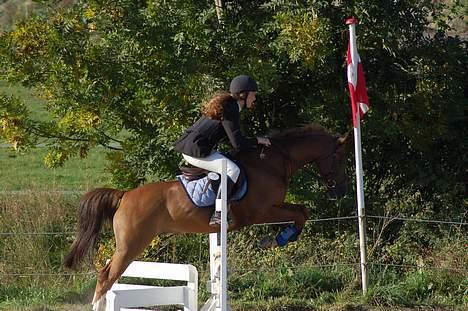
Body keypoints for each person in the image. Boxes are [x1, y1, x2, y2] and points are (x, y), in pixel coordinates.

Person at [174, 75, 271, 226]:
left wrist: (253, 141)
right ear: (243, 94)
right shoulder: (231, 108)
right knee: (233, 170)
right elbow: (237, 143)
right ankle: (218, 214)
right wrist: (258, 140)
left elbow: (230, 138)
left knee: (231, 164)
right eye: (253, 94)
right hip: (196, 150)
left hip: (196, 147)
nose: (255, 98)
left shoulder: (231, 106)